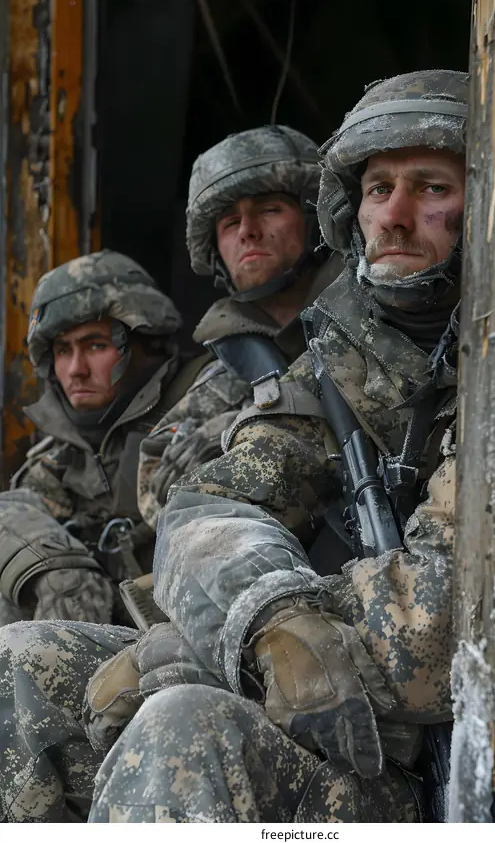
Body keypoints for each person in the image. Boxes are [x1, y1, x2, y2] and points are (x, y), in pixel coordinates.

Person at [0, 70, 466, 823]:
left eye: (430, 189)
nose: (397, 216)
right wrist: (261, 621)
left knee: (181, 722)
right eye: (380, 189)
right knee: (15, 664)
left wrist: (223, 646)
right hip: (279, 655)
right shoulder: (334, 364)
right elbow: (200, 508)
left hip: (391, 742)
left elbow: (449, 618)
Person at [137, 124, 341, 532]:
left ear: (314, 219)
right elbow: (160, 497)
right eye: (231, 222)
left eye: (269, 209)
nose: (247, 231)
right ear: (216, 252)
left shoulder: (377, 322)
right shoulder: (219, 374)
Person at [0, 250, 201, 626]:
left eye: (95, 345)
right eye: (62, 350)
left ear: (147, 341)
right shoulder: (60, 456)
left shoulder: (203, 409)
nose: (75, 370)